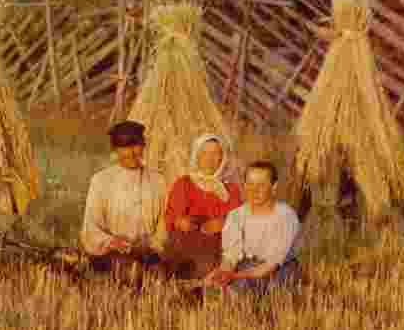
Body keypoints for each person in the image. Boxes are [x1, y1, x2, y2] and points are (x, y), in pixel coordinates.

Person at [81, 120, 168, 287]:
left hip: (148, 252)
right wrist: (112, 241)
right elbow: (90, 227)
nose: (131, 152)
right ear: (115, 150)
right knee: (131, 272)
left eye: (136, 145)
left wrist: (153, 245)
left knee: (159, 279)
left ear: (143, 146)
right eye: (124, 147)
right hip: (111, 253)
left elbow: (164, 224)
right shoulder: (101, 180)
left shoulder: (158, 180)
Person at [203, 160, 302, 298]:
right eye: (250, 184)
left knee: (262, 293)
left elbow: (270, 266)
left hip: (280, 271)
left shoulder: (286, 216)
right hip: (245, 268)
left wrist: (234, 276)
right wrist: (222, 274)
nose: (254, 190)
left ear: (274, 187)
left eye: (261, 185)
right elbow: (231, 257)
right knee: (217, 289)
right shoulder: (235, 215)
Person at [163, 133, 243, 287]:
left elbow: (239, 220)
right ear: (196, 155)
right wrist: (180, 221)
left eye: (215, 153)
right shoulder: (184, 183)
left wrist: (223, 223)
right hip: (187, 241)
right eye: (205, 153)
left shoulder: (230, 189)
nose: (209, 158)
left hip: (218, 244)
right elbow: (171, 216)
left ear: (222, 158)